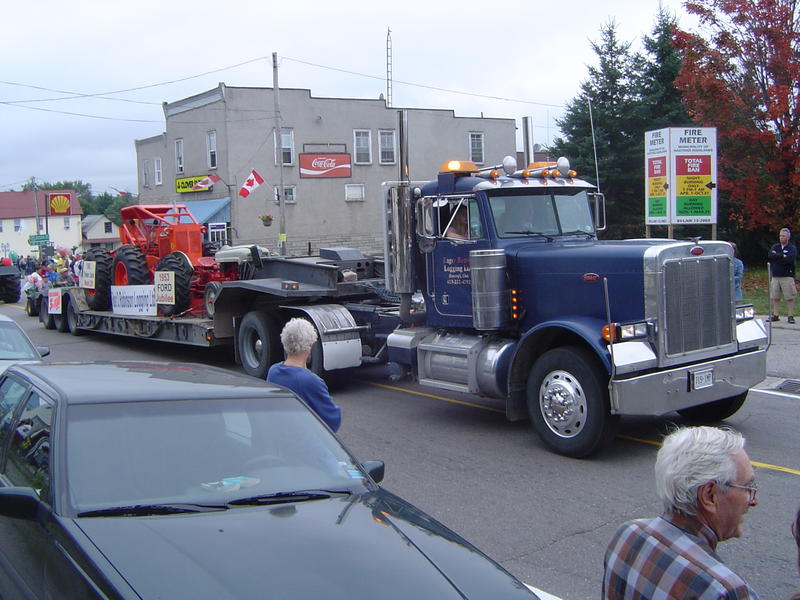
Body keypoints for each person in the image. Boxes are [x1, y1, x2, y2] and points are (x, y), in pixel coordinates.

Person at [603, 426, 759, 599]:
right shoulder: (725, 591)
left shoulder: (627, 534)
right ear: (709, 495)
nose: (754, 500)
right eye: (748, 487)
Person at [266, 318, 341, 432]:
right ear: (309, 345)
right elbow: (332, 420)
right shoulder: (310, 381)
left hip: (280, 434)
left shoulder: (273, 371)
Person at [768, 227, 797, 323]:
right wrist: (781, 256)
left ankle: (790, 316)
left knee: (789, 297)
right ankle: (775, 315)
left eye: (783, 236)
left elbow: (789, 260)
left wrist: (778, 256)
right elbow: (770, 256)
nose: (781, 237)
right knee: (775, 297)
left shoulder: (792, 248)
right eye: (780, 236)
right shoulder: (775, 247)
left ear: (788, 237)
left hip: (787, 276)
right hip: (775, 276)